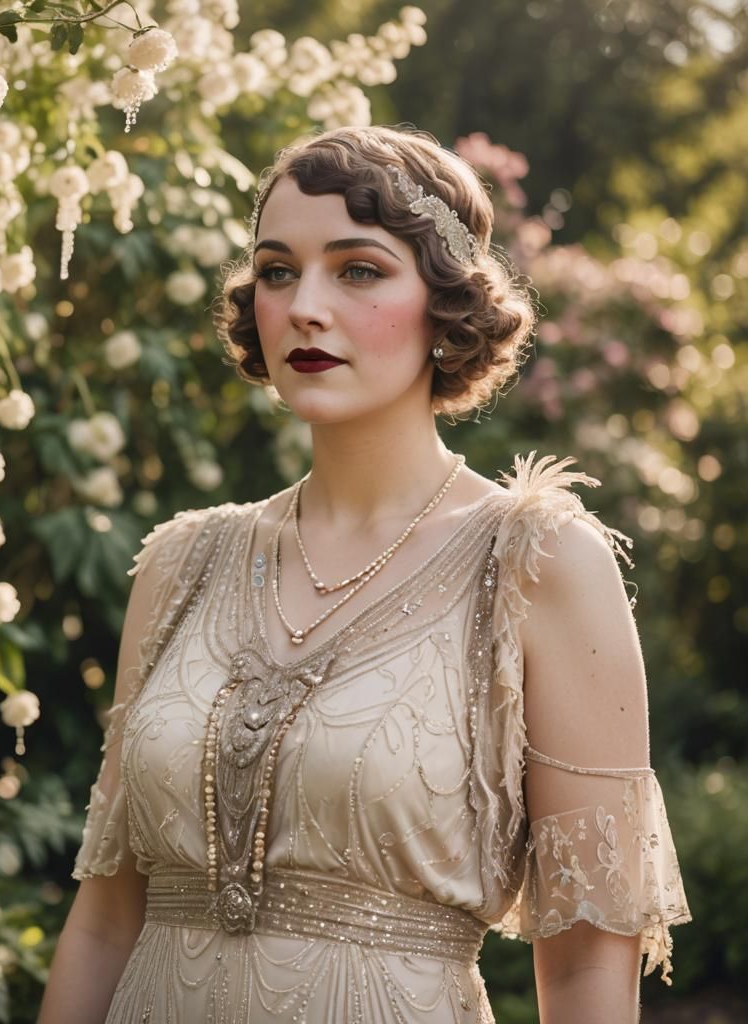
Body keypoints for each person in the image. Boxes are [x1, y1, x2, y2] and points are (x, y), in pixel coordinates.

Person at [38, 125, 691, 1024]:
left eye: (358, 270)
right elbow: (106, 920)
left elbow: (586, 966)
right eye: (277, 271)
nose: (305, 306)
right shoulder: (181, 563)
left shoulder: (538, 561)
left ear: (446, 304)